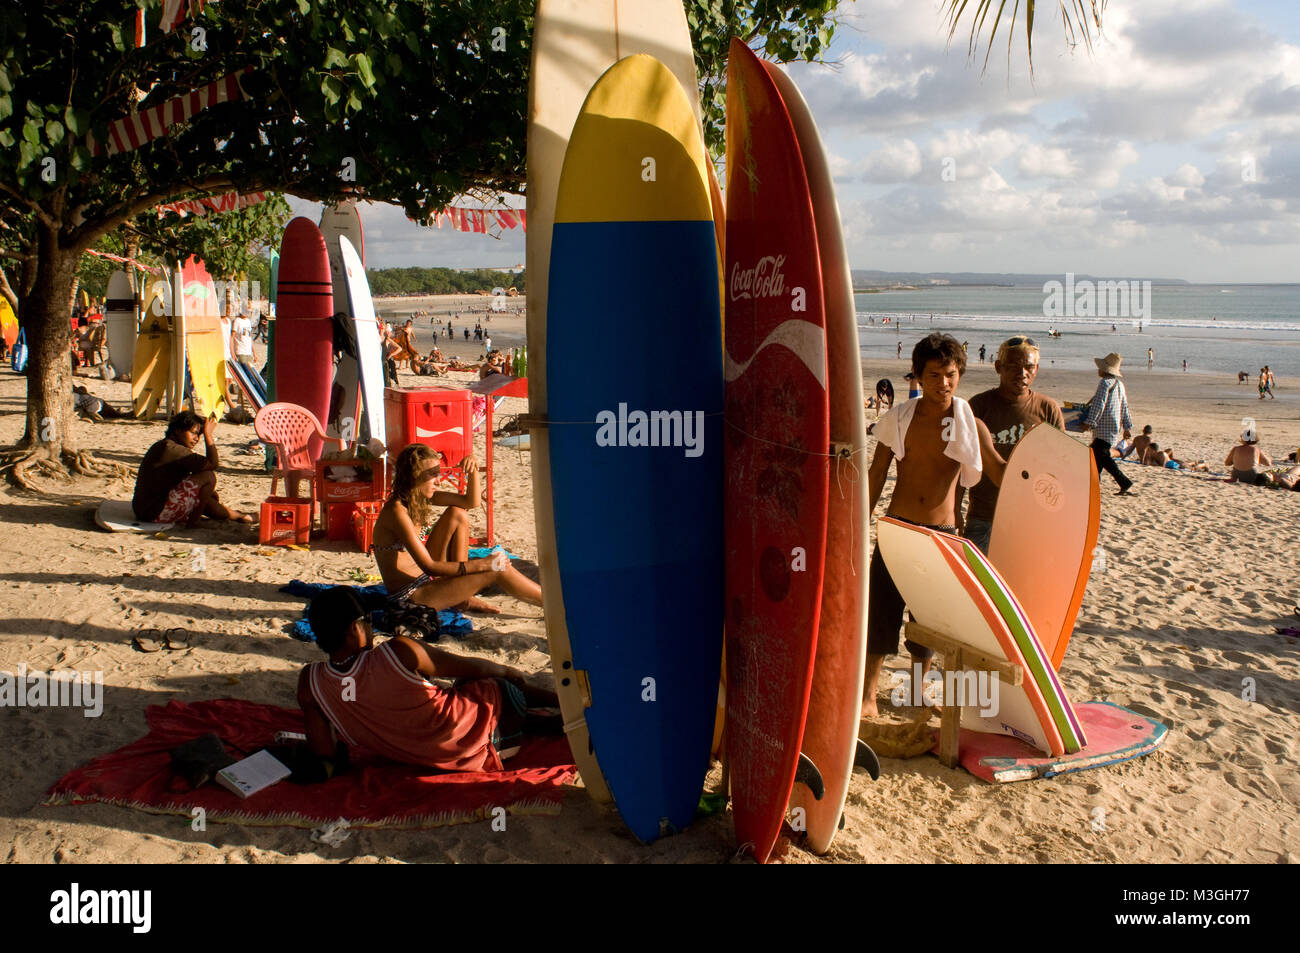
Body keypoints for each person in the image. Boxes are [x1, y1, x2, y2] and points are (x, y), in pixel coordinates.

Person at [863, 333, 1006, 717]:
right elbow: (877, 473)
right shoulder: (899, 418)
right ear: (918, 376)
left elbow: (996, 470)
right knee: (882, 613)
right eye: (933, 375)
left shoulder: (971, 425)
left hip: (942, 534)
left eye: (950, 374)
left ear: (959, 374)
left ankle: (916, 689)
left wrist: (1041, 473)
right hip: (897, 528)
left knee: (928, 618)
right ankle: (868, 695)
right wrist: (860, 520)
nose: (943, 383)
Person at [296, 587, 561, 776]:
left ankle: (538, 720)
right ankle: (561, 703)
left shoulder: (311, 682)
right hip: (490, 744)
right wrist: (505, 670)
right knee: (491, 685)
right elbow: (474, 667)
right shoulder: (396, 652)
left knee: (460, 691)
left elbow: (324, 752)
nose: (371, 630)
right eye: (367, 623)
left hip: (426, 757)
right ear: (356, 628)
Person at [371, 443, 543, 631]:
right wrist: (483, 564)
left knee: (458, 513)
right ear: (414, 477)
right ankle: (555, 605)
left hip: (426, 581)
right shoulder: (397, 512)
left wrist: (473, 470)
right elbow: (429, 566)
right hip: (411, 597)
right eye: (432, 475)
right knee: (497, 568)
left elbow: (470, 502)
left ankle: (462, 597)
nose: (439, 481)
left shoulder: (419, 498)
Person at [957, 335, 1065, 553]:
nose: (1022, 373)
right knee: (978, 584)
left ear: (1037, 369)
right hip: (984, 518)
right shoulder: (978, 407)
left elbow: (1060, 469)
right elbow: (960, 465)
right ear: (998, 367)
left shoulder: (1048, 410)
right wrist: (954, 509)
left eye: (1029, 367)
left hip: (1031, 521)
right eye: (1013, 366)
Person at [132, 411, 252, 527]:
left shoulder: (166, 445)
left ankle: (240, 516)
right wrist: (208, 435)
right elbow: (212, 464)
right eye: (193, 433)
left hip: (145, 510)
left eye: (199, 435)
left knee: (206, 499)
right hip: (155, 512)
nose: (196, 438)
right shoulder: (172, 449)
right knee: (208, 476)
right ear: (178, 430)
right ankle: (193, 523)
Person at [1081, 352, 1134, 495]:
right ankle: (1093, 486)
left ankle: (1124, 482)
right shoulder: (1120, 385)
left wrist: (1089, 422)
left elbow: (1099, 405)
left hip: (1103, 428)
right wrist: (1127, 427)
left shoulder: (1104, 383)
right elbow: (1124, 406)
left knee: (1103, 457)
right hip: (1114, 427)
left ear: (1104, 370)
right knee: (1096, 455)